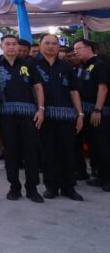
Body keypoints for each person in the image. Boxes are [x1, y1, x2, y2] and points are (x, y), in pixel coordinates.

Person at [0, 34, 45, 203]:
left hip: (29, 114)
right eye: (8, 44)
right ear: (1, 46)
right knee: (11, 152)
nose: (12, 47)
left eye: (14, 44)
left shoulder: (28, 64)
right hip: (6, 115)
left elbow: (38, 87)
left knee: (31, 152)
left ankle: (32, 188)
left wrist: (41, 109)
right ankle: (14, 186)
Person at [33, 34, 84, 201]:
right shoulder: (32, 64)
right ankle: (51, 187)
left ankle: (68, 187)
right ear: (40, 44)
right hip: (43, 117)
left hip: (66, 116)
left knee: (67, 153)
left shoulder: (66, 66)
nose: (51, 46)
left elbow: (74, 91)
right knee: (48, 153)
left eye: (54, 43)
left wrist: (80, 114)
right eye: (47, 43)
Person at [74, 39, 110, 191]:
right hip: (86, 111)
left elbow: (103, 88)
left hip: (99, 112)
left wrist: (98, 109)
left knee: (103, 145)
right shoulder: (83, 66)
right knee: (94, 146)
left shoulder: (100, 64)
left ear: (89, 48)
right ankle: (100, 175)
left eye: (78, 49)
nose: (75, 52)